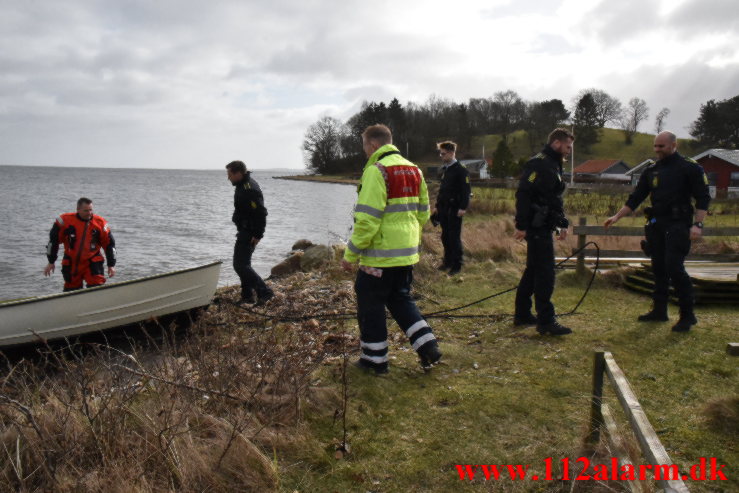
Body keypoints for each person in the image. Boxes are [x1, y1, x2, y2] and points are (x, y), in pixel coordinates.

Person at [341, 124, 441, 374]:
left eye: (364, 146)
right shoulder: (415, 170)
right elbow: (423, 213)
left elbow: (367, 220)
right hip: (406, 253)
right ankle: (428, 346)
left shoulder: (377, 171)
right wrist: (406, 239)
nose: (364, 151)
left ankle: (374, 362)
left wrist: (350, 254)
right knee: (400, 299)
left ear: (373, 145)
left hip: (379, 257)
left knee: (370, 304)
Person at [604, 131, 710, 332]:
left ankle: (688, 315)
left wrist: (698, 224)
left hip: (678, 224)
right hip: (656, 225)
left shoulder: (690, 168)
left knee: (674, 267)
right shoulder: (652, 170)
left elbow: (703, 197)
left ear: (673, 145)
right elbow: (636, 198)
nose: (657, 150)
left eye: (661, 146)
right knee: (659, 268)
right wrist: (616, 216)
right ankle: (659, 311)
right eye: (655, 146)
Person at [513, 128, 574, 336]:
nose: (569, 151)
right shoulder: (539, 163)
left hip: (545, 225)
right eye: (567, 146)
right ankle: (546, 321)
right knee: (545, 273)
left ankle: (522, 314)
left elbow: (554, 198)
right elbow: (523, 193)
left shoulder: (554, 164)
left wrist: (562, 222)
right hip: (536, 226)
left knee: (533, 270)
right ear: (556, 143)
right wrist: (521, 225)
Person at [226, 160, 274, 305]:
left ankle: (265, 292)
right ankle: (247, 296)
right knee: (243, 264)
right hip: (244, 230)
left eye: (230, 174)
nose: (228, 178)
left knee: (240, 265)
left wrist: (259, 234)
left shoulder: (249, 188)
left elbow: (261, 212)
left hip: (250, 232)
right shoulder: (241, 185)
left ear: (238, 173)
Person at [44, 197, 116, 291]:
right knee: (71, 290)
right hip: (72, 262)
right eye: (86, 210)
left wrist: (111, 265)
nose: (89, 213)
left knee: (97, 288)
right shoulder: (65, 221)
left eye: (91, 210)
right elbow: (53, 242)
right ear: (78, 210)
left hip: (92, 262)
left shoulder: (100, 223)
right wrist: (51, 261)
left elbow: (110, 244)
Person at [433, 141, 471, 275]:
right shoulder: (445, 169)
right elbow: (442, 190)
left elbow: (466, 190)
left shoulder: (461, 169)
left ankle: (457, 265)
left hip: (455, 208)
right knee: (445, 237)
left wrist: (463, 207)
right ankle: (447, 262)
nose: (441, 156)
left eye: (443, 153)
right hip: (444, 208)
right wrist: (437, 207)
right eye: (440, 153)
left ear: (451, 153)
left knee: (454, 237)